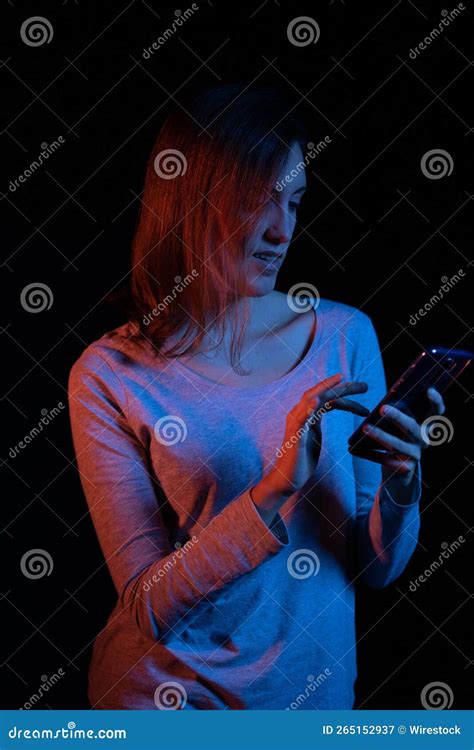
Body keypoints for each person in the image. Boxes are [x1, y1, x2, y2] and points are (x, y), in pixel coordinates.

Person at [68, 84, 446, 710]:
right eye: (257, 203)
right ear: (190, 201)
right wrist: (274, 488)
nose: (281, 230)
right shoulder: (110, 374)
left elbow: (375, 568)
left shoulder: (345, 335)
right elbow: (148, 605)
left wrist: (403, 486)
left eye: (295, 203)